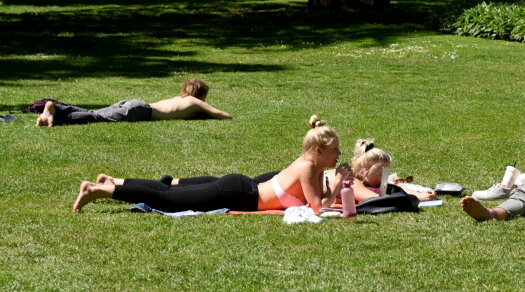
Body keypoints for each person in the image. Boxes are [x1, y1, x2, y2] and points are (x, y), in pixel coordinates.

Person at [73, 115, 353, 213]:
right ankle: (101, 191)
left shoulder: (311, 165)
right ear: (318, 150)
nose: (338, 154)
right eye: (335, 150)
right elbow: (318, 208)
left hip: (241, 188)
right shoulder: (306, 167)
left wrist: (333, 182)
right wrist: (338, 182)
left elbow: (319, 199)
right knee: (168, 199)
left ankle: (116, 182)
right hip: (238, 194)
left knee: (170, 194)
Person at [35, 78, 232, 127]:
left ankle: (57, 110)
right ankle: (55, 112)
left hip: (136, 105)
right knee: (97, 118)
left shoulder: (181, 99)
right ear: (202, 95)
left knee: (95, 112)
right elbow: (221, 115)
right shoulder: (194, 102)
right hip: (140, 111)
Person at [326, 139, 438, 202]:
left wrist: (421, 193)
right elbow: (377, 199)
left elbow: (393, 190)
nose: (384, 178)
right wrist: (418, 198)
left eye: (386, 173)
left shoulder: (369, 180)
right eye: (381, 173)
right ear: (365, 171)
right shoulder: (350, 180)